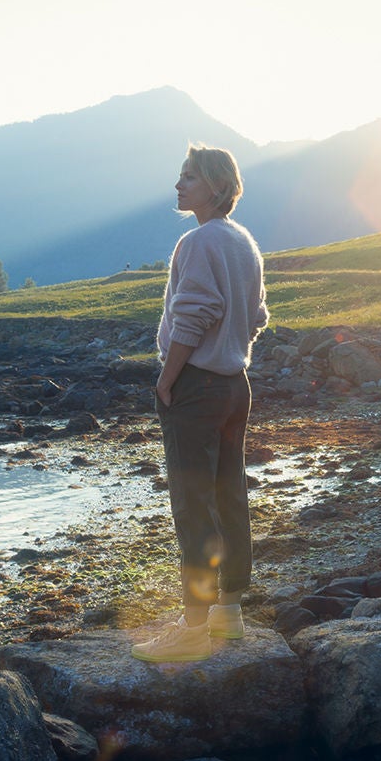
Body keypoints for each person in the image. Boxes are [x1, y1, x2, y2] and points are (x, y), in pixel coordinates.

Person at [132, 144, 268, 664]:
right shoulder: (243, 241)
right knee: (229, 494)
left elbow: (194, 315)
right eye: (179, 175)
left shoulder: (198, 242)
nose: (178, 185)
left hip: (197, 386)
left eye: (188, 177)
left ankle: (191, 628)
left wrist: (168, 380)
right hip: (236, 386)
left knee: (193, 505)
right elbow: (256, 316)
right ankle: (227, 615)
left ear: (215, 185)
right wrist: (233, 353)